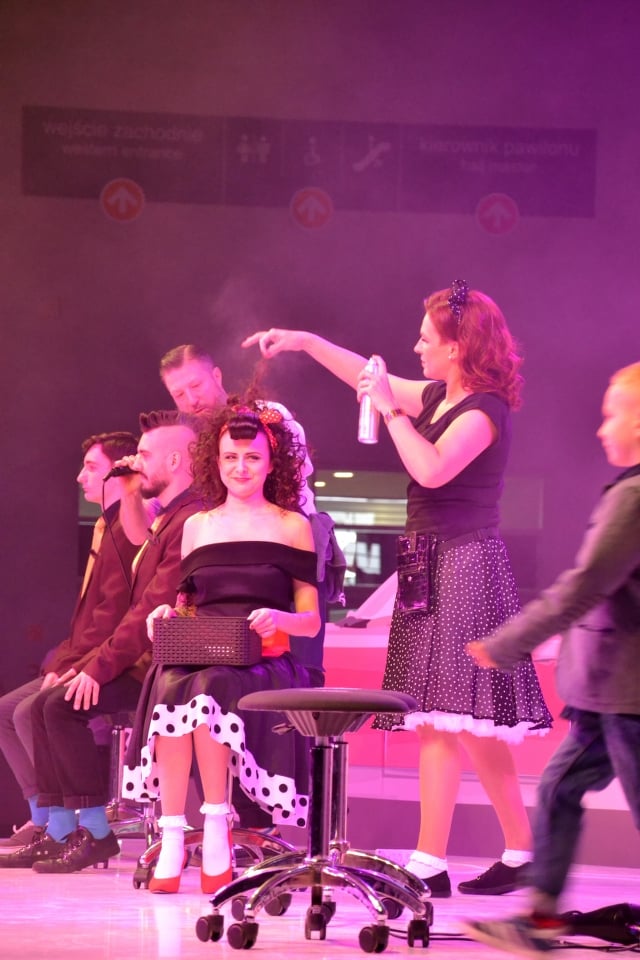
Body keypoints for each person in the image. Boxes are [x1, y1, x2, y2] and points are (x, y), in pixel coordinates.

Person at [242, 280, 553, 897]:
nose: (416, 347)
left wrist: (389, 411)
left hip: (466, 563)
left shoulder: (484, 410)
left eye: (426, 338)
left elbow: (431, 469)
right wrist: (305, 342)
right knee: (464, 721)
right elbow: (367, 374)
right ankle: (519, 852)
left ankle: (430, 862)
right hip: (428, 561)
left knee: (445, 717)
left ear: (457, 348)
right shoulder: (440, 395)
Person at [459, 361, 640, 957]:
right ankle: (539, 919)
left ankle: (539, 919)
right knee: (559, 788)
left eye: (611, 416)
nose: (601, 429)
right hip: (607, 693)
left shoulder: (635, 497)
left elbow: (583, 585)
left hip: (628, 693)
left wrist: (507, 642)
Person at [124, 400, 322, 894]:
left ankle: (216, 825)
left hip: (263, 657)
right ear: (216, 462)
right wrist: (166, 614)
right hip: (202, 649)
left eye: (252, 458)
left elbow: (311, 621)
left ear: (272, 464)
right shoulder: (198, 525)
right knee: (173, 683)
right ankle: (173, 832)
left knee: (206, 687)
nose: (241, 468)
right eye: (231, 457)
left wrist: (280, 619)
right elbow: (186, 603)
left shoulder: (293, 525)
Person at [6, 411, 203, 873]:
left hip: (162, 666)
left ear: (175, 461)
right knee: (42, 705)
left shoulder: (188, 519)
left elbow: (144, 607)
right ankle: (62, 829)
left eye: (145, 455)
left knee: (55, 707)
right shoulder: (166, 517)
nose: (136, 461)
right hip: (135, 656)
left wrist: (94, 666)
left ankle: (93, 832)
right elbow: (124, 594)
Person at [0, 430, 139, 852]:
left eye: (92, 467)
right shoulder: (105, 525)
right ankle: (46, 816)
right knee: (9, 710)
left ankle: (72, 822)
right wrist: (63, 661)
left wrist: (74, 665)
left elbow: (112, 617)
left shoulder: (127, 530)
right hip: (87, 653)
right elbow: (89, 617)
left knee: (32, 709)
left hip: (117, 660)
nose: (80, 477)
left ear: (119, 475)